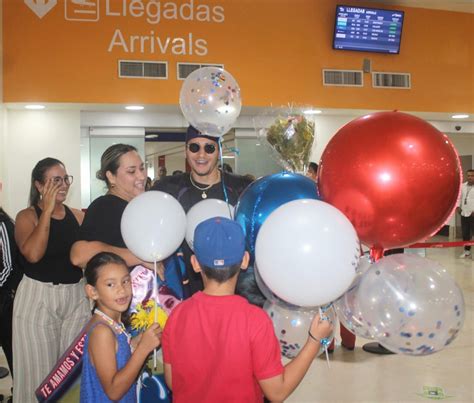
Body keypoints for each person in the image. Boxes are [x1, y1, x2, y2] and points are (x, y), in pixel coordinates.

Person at [162, 217, 333, 402]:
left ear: (195, 263)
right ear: (244, 260)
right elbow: (277, 392)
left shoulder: (177, 315)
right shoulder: (255, 320)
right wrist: (314, 341)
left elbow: (173, 381)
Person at [13, 158, 90, 403]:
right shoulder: (27, 216)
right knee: (38, 375)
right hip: (38, 297)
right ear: (39, 185)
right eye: (55, 180)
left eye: (65, 178)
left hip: (75, 298)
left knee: (70, 375)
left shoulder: (77, 216)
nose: (63, 184)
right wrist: (46, 210)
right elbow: (33, 254)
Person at [152, 126, 253, 295]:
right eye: (194, 147)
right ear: (186, 150)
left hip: (233, 292)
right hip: (183, 292)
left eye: (209, 148)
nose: (201, 155)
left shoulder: (240, 189)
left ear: (219, 152)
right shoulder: (169, 189)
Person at [81, 252, 162, 402]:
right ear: (92, 291)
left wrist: (136, 342)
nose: (121, 290)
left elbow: (117, 353)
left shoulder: (112, 323)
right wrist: (143, 349)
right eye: (110, 284)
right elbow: (113, 391)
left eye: (125, 281)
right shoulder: (101, 331)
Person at [0, 182, 23, 384]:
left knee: (11, 350)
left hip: (4, 301)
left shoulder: (4, 224)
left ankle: (18, 392)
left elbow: (8, 267)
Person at [457, 169, 474, 258]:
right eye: (469, 176)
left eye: (472, 176)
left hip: (473, 213)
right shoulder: (463, 186)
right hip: (464, 213)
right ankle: (467, 251)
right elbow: (459, 197)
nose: (470, 177)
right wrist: (458, 207)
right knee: (465, 233)